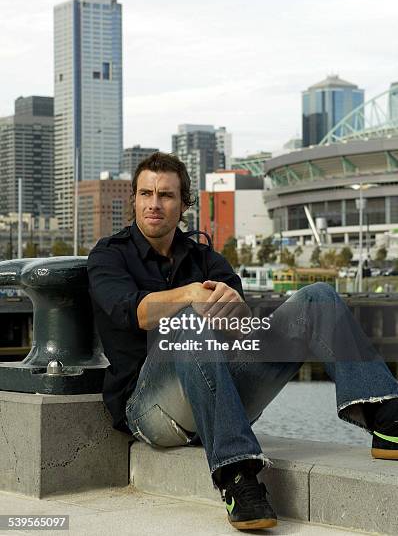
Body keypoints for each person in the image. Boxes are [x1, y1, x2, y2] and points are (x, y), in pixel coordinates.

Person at [88, 152, 398, 532]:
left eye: (166, 195)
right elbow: (133, 313)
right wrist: (190, 296)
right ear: (134, 198)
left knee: (318, 298)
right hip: (150, 410)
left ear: (183, 204)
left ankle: (386, 419)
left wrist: (237, 312)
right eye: (146, 193)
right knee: (187, 318)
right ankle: (238, 478)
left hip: (222, 394)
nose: (154, 204)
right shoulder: (108, 255)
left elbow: (247, 338)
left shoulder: (207, 259)